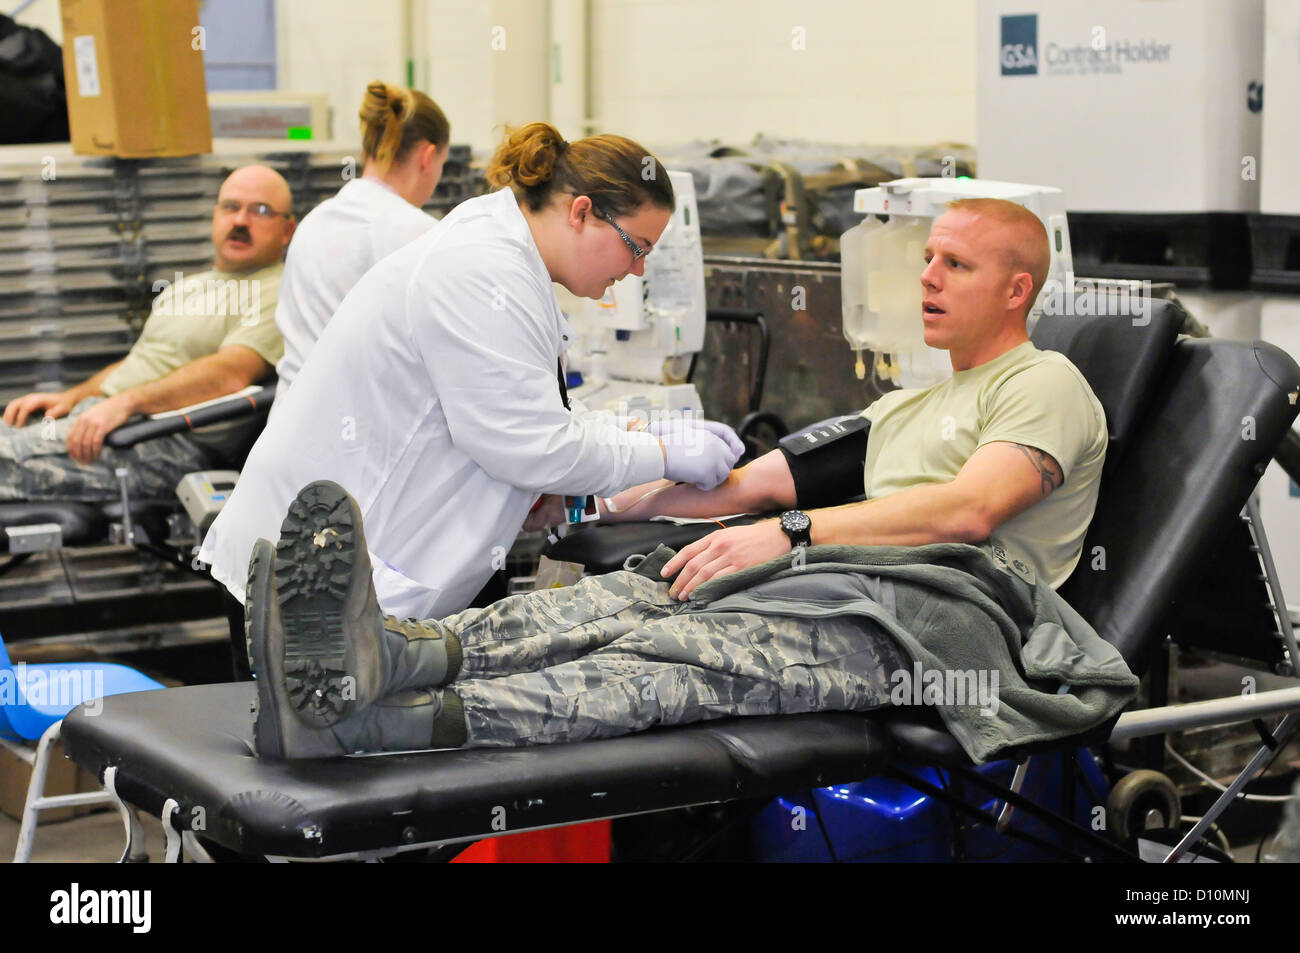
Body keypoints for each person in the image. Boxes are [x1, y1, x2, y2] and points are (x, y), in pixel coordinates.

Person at [245, 198, 1138, 762]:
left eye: (956, 265)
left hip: (933, 624)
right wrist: (614, 484)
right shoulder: (908, 405)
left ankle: (381, 725)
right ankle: (386, 656)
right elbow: (751, 486)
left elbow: (969, 510)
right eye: (929, 257)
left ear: (1017, 289)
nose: (928, 277)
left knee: (668, 661)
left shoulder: (1045, 384)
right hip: (834, 581)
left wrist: (789, 536)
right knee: (617, 596)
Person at [200, 122, 742, 626]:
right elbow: (530, 447)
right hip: (312, 580)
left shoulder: (507, 258)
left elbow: (522, 414)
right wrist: (660, 455)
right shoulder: (483, 268)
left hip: (342, 564)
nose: (638, 270)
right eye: (636, 247)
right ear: (581, 212)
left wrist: (633, 438)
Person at [0, 165, 294, 502]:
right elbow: (141, 363)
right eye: (231, 207)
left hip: (164, 441)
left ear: (287, 231)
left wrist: (123, 404)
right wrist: (72, 398)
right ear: (215, 215)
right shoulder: (187, 287)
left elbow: (230, 375)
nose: (240, 221)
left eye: (260, 211)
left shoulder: (279, 293)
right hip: (109, 419)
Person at [274, 81, 450, 392]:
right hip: (364, 429)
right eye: (442, 165)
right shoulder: (423, 236)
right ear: (427, 157)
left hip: (288, 425)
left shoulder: (313, 223)